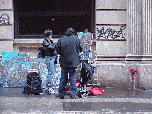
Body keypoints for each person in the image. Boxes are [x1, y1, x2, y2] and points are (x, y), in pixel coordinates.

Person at [55, 28, 83, 99]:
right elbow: (81, 48)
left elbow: (57, 49)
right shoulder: (76, 39)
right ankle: (73, 94)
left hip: (64, 61)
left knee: (63, 78)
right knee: (72, 78)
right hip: (73, 62)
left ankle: (61, 94)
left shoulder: (61, 39)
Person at [43, 29, 57, 94]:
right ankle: (50, 87)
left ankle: (48, 86)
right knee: (51, 73)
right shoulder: (45, 41)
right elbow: (51, 48)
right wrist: (54, 46)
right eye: (50, 35)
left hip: (52, 58)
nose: (51, 36)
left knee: (51, 72)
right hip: (49, 58)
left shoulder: (49, 41)